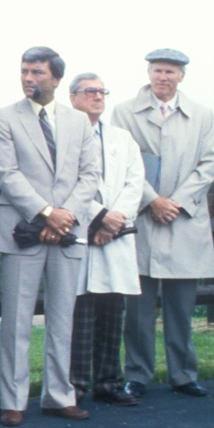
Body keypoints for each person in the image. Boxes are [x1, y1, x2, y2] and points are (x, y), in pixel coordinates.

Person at [0, 47, 101, 425]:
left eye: (37, 72)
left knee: (62, 318)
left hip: (67, 233)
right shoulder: (4, 118)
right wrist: (48, 214)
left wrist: (64, 219)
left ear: (56, 78)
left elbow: (90, 175)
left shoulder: (79, 122)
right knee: (16, 320)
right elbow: (6, 174)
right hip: (22, 230)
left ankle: (58, 395)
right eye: (24, 71)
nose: (28, 79)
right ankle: (14, 401)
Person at [110, 49, 214, 398]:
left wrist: (176, 202)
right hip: (142, 218)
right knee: (138, 310)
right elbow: (121, 162)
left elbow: (209, 163)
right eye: (158, 70)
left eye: (170, 71)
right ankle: (137, 375)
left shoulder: (202, 115)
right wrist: (152, 200)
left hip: (184, 221)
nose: (163, 77)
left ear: (181, 76)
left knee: (181, 307)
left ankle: (184, 374)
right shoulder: (124, 112)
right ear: (148, 72)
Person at [66, 73, 145, 406]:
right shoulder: (63, 135)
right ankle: (76, 386)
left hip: (116, 236)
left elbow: (135, 182)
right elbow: (66, 183)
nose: (97, 96)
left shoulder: (122, 138)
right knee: (81, 313)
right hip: (81, 231)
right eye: (89, 91)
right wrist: (98, 216)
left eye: (102, 91)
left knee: (114, 310)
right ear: (73, 98)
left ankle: (109, 382)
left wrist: (114, 220)